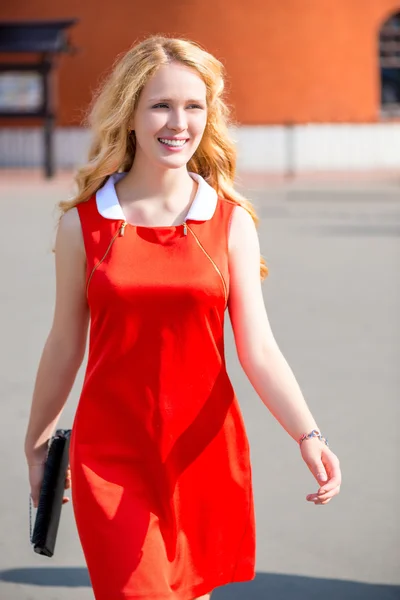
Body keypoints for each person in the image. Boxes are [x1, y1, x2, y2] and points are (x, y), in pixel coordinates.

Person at [24, 35, 341, 600]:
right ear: (130, 115)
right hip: (112, 459)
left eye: (194, 106)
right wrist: (37, 444)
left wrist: (307, 434)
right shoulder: (83, 226)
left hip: (204, 457)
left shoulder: (231, 222)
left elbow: (258, 348)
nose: (179, 122)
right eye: (160, 105)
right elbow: (64, 344)